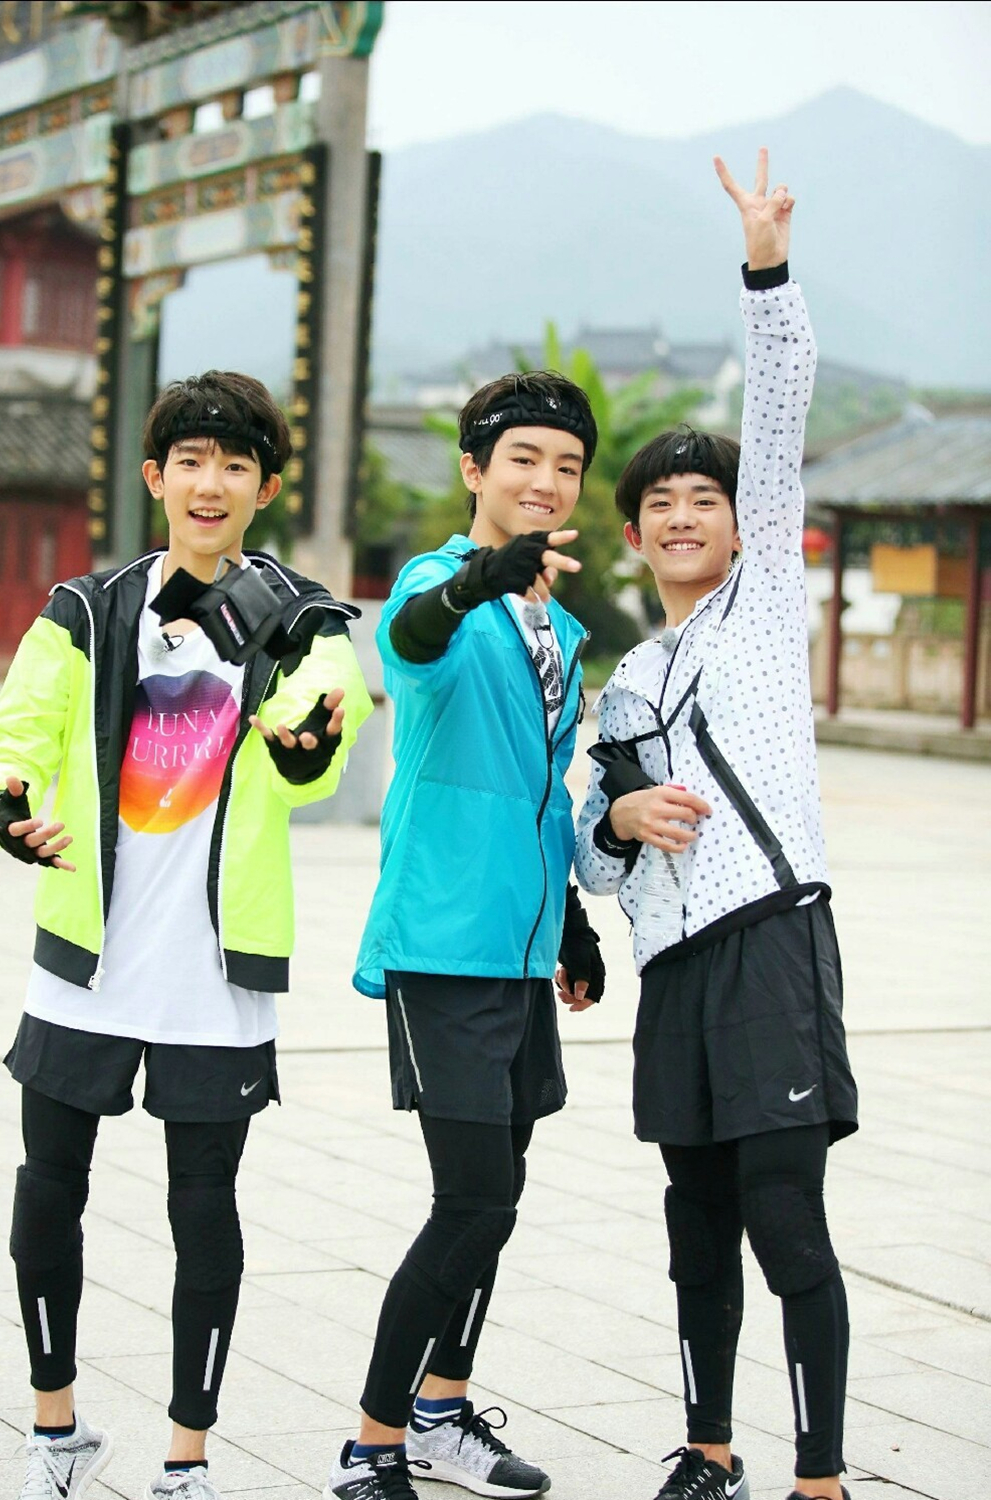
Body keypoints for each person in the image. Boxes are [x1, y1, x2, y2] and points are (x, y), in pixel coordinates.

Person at [0, 371, 372, 1500]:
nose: (211, 483)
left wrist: (303, 736)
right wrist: (5, 801)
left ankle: (187, 1457)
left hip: (213, 972)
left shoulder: (299, 616)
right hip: (86, 963)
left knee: (204, 1212)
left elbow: (322, 711)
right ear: (155, 477)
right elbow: (20, 728)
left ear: (266, 489)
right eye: (190, 461)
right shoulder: (86, 610)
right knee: (47, 1192)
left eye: (236, 465)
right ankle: (56, 1428)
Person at [575, 152, 858, 1500]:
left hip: (770, 946)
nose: (683, 516)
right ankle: (708, 1451)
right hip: (674, 972)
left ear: (744, 527)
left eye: (707, 501)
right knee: (694, 1230)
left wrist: (764, 262)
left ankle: (820, 1474)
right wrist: (621, 815)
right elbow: (591, 852)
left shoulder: (762, 609)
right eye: (660, 506)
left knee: (783, 1222)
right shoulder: (625, 680)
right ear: (633, 538)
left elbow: (781, 400)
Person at [324, 371, 607, 1500]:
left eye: (567, 465)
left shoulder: (561, 627)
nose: (546, 480)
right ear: (473, 469)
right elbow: (409, 639)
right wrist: (477, 579)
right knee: (472, 1199)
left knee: (503, 1196)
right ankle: (371, 1441)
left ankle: (443, 1410)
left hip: (520, 948)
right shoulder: (436, 585)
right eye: (523, 458)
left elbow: (546, 784)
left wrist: (571, 920)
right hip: (442, 940)